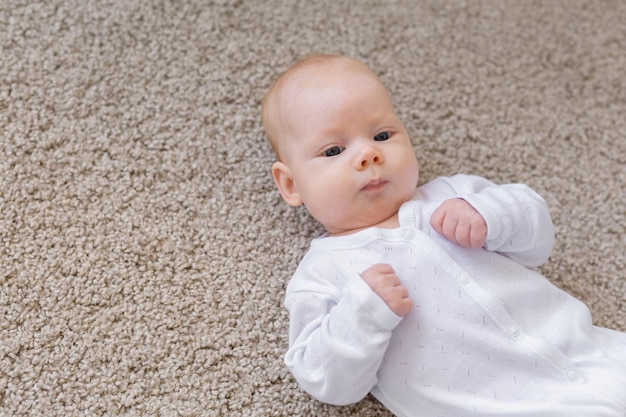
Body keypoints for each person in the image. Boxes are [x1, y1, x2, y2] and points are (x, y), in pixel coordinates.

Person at [261, 53, 626, 416]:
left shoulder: (453, 194)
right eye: (335, 150)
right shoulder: (322, 274)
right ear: (291, 185)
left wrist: (491, 215)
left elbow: (538, 239)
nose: (369, 154)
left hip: (594, 352)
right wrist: (362, 312)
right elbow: (327, 383)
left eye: (382, 134)